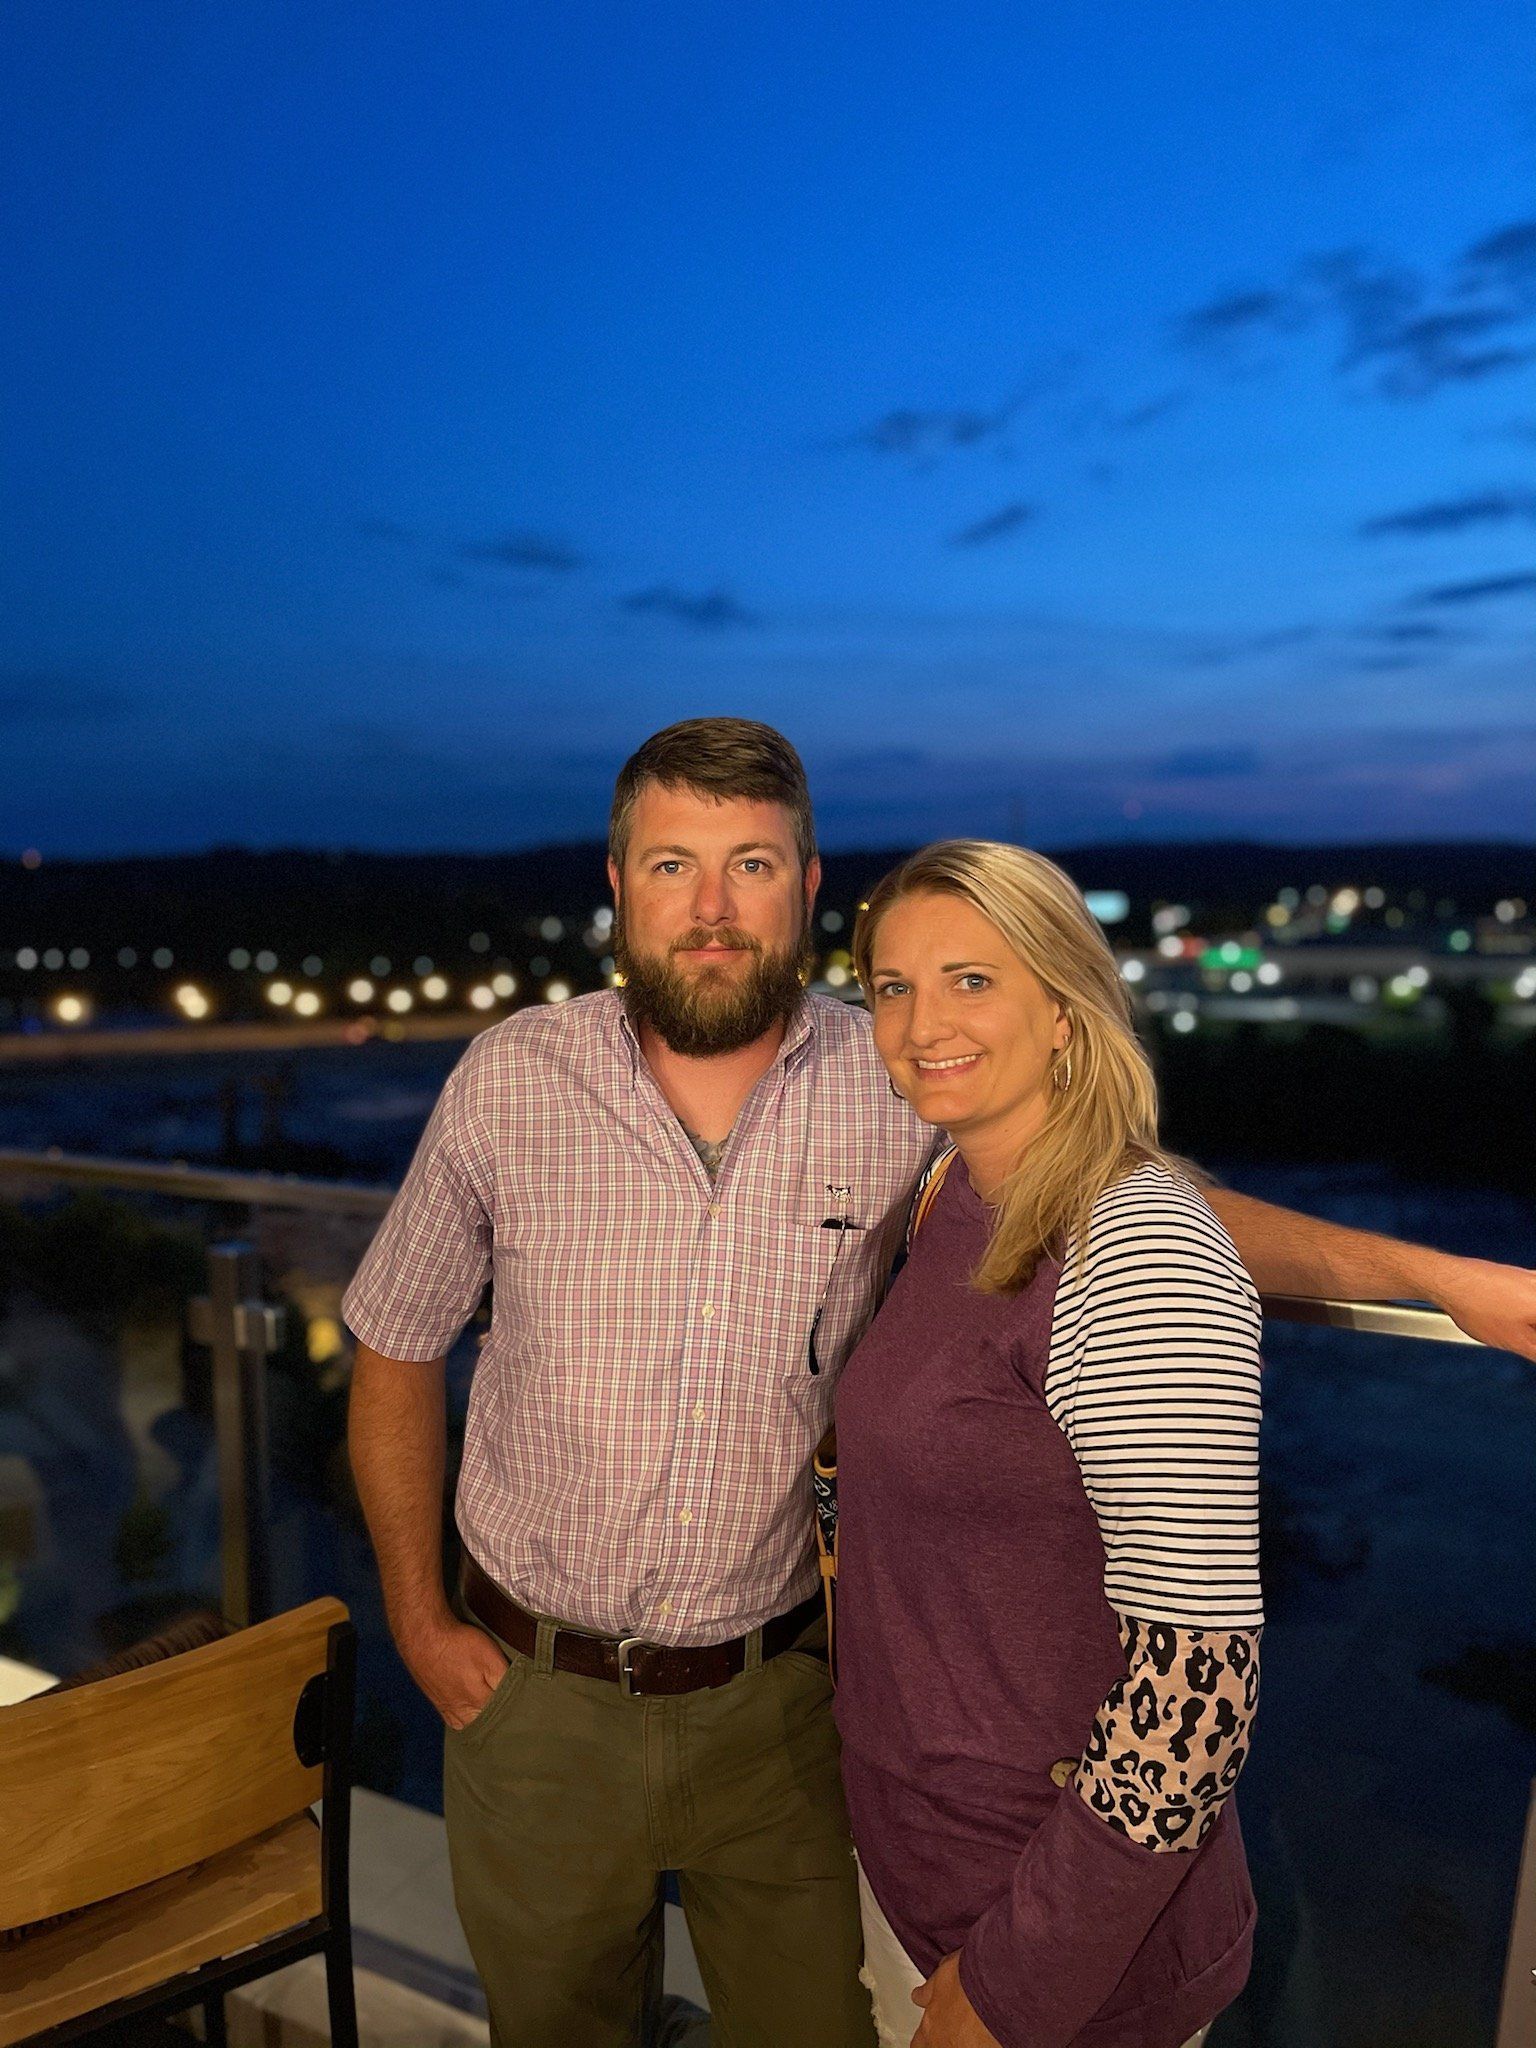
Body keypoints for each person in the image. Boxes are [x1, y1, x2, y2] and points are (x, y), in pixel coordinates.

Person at [342, 718, 1536, 2048]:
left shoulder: (893, 1072)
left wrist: (1436, 1277)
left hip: (788, 1712)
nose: (714, 908)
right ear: (618, 885)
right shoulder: (517, 1080)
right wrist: (418, 1622)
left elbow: (1122, 1205)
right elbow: (394, 1335)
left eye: (752, 864)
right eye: (674, 865)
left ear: (803, 888)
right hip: (538, 1697)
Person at [834, 839, 1260, 2048]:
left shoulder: (1138, 1248)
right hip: (920, 1878)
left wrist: (1016, 1979)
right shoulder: (952, 1189)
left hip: (1060, 1945)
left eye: (973, 979)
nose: (923, 1023)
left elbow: (1198, 1693)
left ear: (1066, 1009)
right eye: (893, 986)